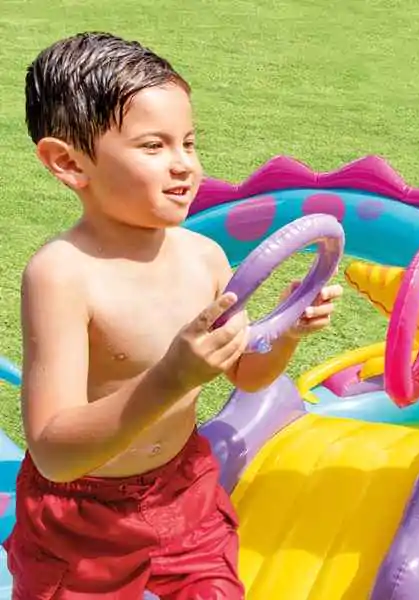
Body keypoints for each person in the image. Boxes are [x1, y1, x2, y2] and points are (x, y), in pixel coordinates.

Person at [5, 31, 343, 599]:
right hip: (81, 521)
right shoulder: (63, 275)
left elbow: (247, 375)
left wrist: (286, 333)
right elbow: (55, 452)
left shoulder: (203, 256)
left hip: (184, 492)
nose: (184, 165)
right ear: (68, 162)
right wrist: (171, 377)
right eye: (153, 147)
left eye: (188, 142)